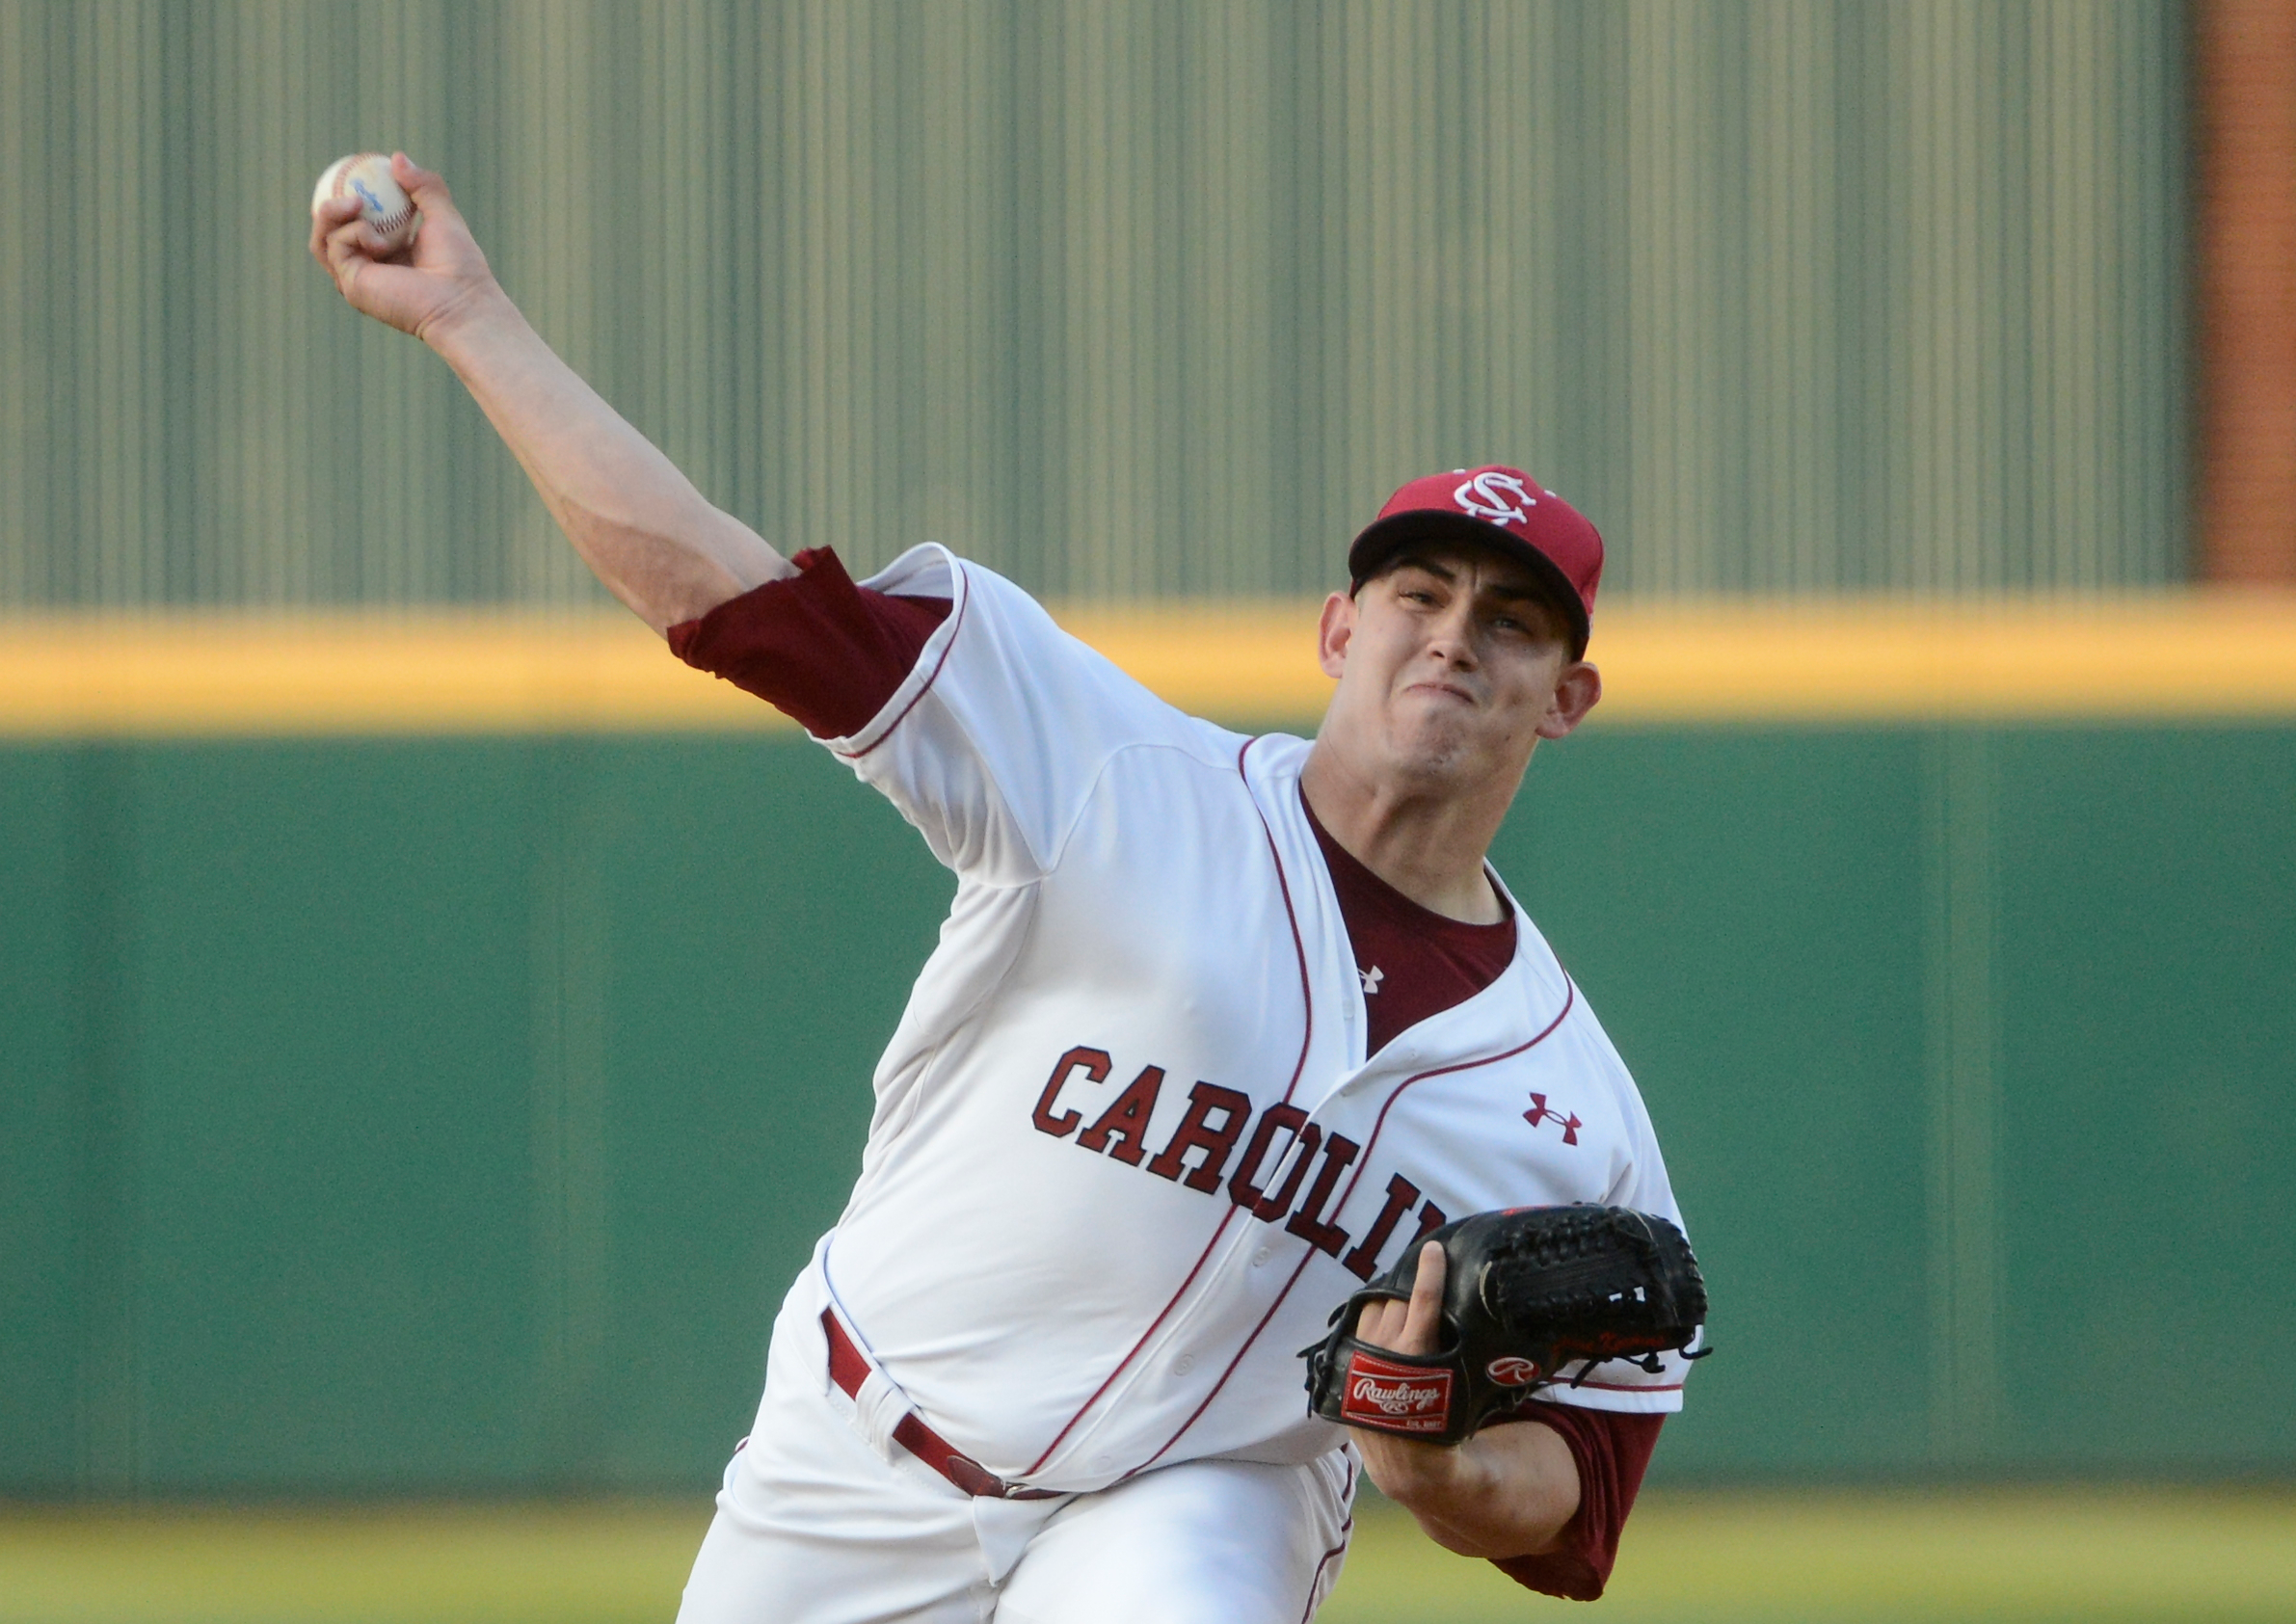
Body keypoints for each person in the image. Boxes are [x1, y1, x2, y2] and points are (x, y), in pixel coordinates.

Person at [314, 154, 1697, 1623]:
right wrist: (472, 319)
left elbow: (1581, 1490)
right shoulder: (1104, 766)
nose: (1452, 636)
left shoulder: (1569, 1106)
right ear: (1338, 626)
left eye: (1511, 619)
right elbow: (722, 594)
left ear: (1568, 695)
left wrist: (1437, 1471)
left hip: (1198, 1499)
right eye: (1419, 594)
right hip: (855, 1442)